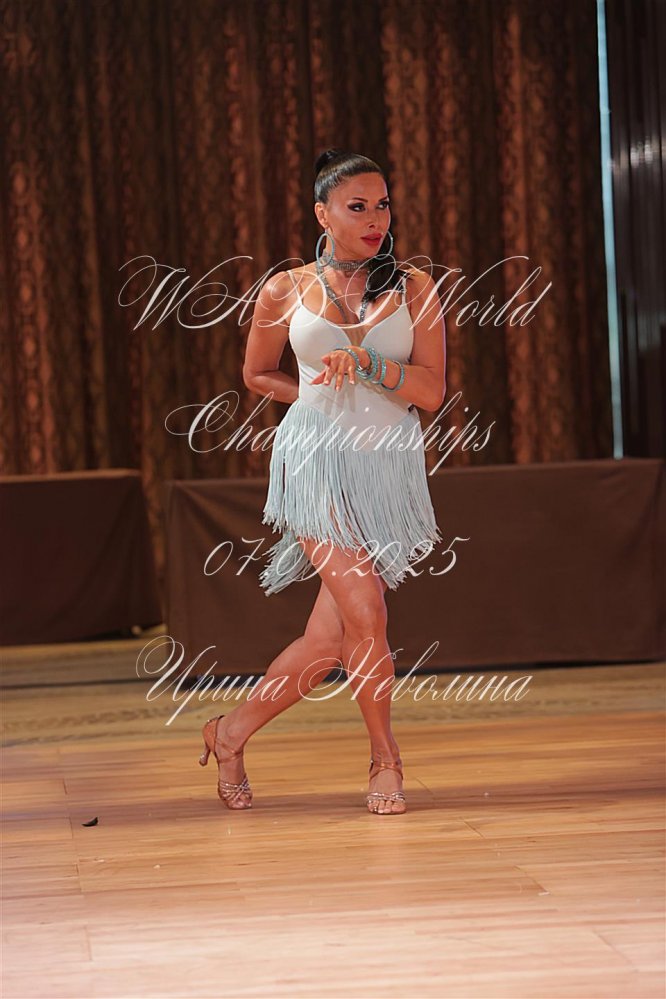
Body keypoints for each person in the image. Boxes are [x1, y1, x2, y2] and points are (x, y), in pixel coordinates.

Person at [199, 148, 447, 815]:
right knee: (366, 609)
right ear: (322, 214)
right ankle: (385, 759)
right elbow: (257, 374)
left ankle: (230, 733)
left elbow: (430, 391)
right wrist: (314, 390)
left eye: (382, 205)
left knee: (329, 639)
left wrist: (366, 364)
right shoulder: (285, 288)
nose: (374, 219)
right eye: (357, 206)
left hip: (386, 464)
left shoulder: (415, 287)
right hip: (314, 461)